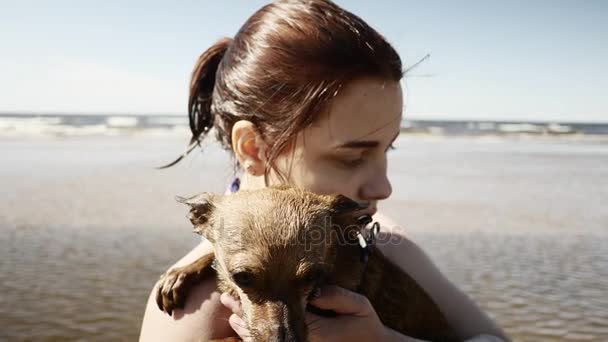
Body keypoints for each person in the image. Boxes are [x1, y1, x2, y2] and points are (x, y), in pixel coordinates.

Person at [139, 0, 509, 341]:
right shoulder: (191, 312)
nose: (384, 187)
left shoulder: (386, 242)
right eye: (351, 156)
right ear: (254, 147)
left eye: (387, 148)